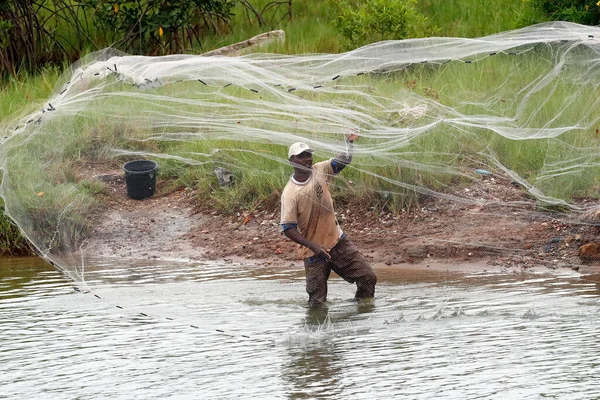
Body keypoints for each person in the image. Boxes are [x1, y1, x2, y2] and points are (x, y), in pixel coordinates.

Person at [280, 132, 377, 308]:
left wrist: (349, 142)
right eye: (302, 157)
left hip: (337, 241)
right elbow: (288, 228)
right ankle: (318, 332)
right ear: (292, 161)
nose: (307, 159)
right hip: (313, 253)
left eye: (309, 155)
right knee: (317, 301)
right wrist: (314, 246)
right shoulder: (290, 193)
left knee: (367, 277)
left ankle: (359, 315)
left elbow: (343, 161)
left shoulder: (320, 169)